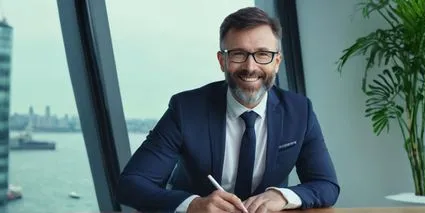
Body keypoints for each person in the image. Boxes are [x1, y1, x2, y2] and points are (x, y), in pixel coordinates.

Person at [116, 7, 340, 213]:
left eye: (263, 54)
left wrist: (283, 196)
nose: (250, 67)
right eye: (238, 54)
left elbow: (326, 185)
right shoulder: (186, 109)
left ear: (277, 62)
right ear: (222, 61)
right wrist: (194, 204)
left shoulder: (300, 111)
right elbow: (131, 184)